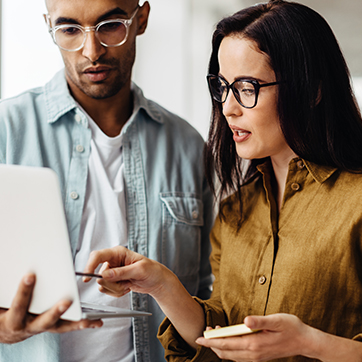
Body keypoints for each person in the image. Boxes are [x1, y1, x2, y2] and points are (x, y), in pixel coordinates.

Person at [83, 0, 362, 361]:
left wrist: (308, 343)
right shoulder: (236, 209)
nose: (228, 107)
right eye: (223, 87)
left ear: (312, 91)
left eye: (247, 87)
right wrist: (161, 284)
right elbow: (219, 340)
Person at [0, 0, 213, 361]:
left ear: (140, 19)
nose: (91, 51)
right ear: (48, 27)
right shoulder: (7, 130)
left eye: (110, 25)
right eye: (69, 30)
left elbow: (210, 296)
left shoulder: (188, 146)